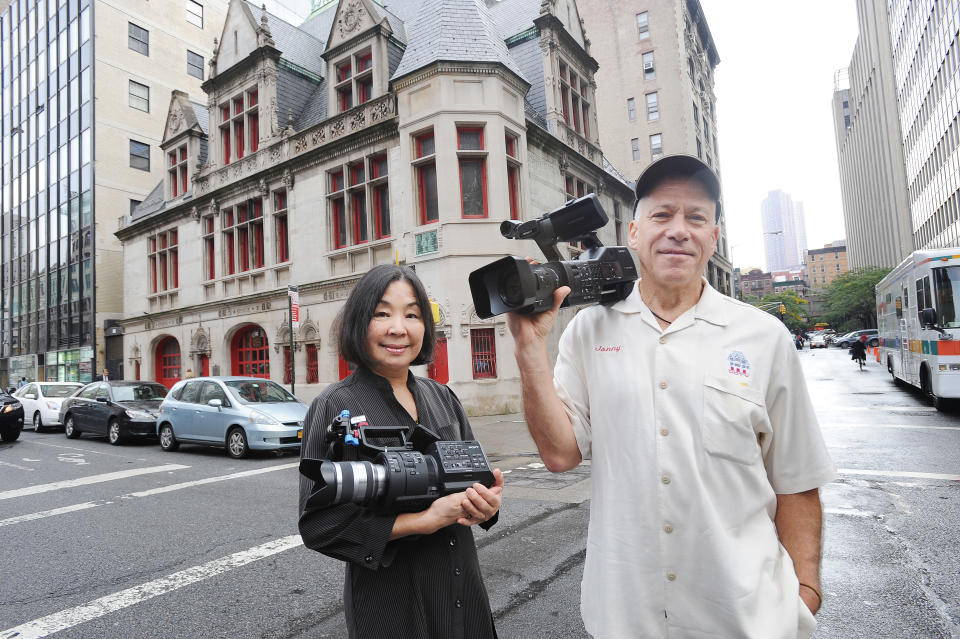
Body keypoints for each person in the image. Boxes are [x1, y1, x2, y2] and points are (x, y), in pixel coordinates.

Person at [506, 155, 836, 639]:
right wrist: (529, 348)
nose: (678, 230)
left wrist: (805, 593)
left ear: (713, 238)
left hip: (744, 618)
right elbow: (559, 454)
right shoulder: (588, 331)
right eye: (662, 215)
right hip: (624, 615)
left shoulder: (763, 337)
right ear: (634, 232)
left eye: (696, 217)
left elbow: (798, 480)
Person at [298, 264, 504, 639]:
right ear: (360, 322)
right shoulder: (333, 405)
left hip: (463, 593)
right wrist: (422, 521)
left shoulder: (443, 397)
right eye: (382, 313)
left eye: (412, 314)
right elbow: (318, 525)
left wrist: (486, 505)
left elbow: (476, 481)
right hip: (390, 606)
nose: (399, 328)